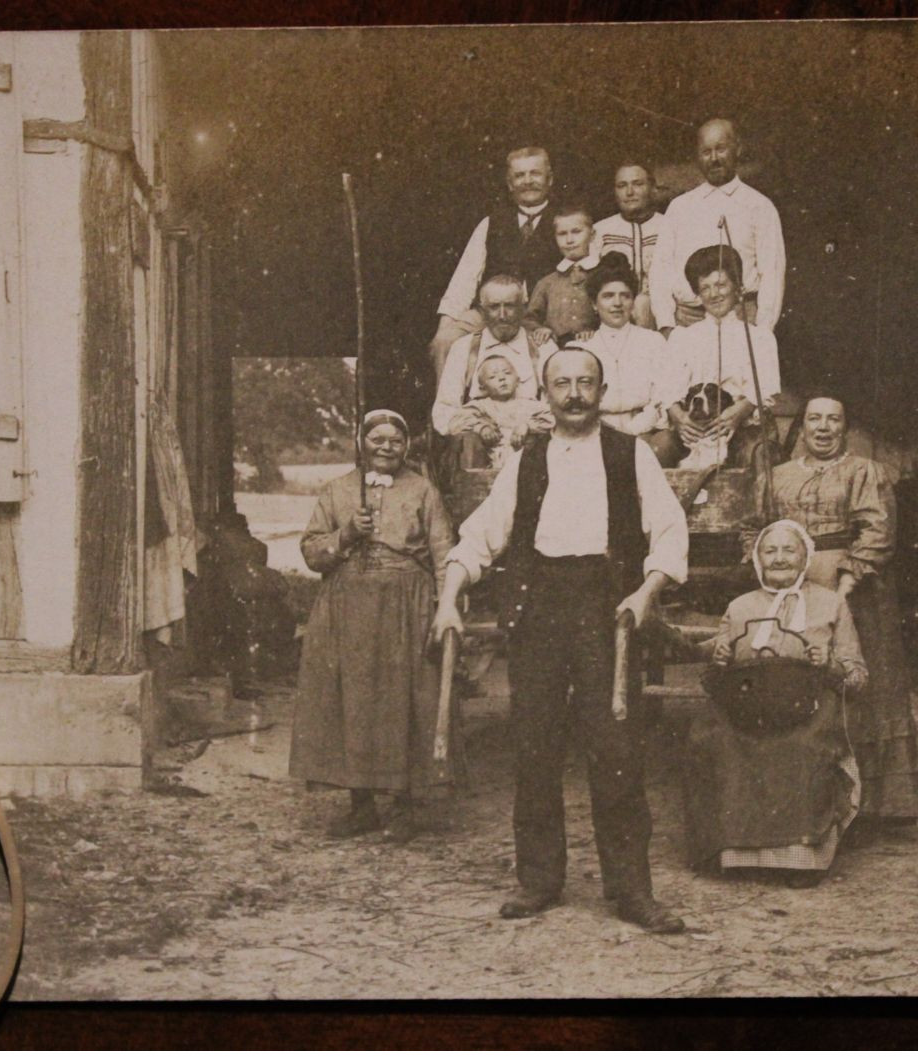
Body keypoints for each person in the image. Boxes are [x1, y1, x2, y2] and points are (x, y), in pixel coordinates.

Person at [430, 347, 690, 934]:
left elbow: (670, 534)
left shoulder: (633, 454)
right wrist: (449, 599)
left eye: (585, 383)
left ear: (602, 389)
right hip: (540, 607)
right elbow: (480, 537)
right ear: (545, 392)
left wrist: (643, 594)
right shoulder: (527, 460)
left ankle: (631, 890)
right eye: (562, 383)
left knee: (617, 751)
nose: (574, 393)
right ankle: (539, 880)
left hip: (607, 609)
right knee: (535, 747)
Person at [289, 410, 458, 842]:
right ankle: (361, 806)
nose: (386, 447)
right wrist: (345, 536)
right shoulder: (337, 491)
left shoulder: (423, 491)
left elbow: (444, 554)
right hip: (346, 608)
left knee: (404, 699)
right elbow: (311, 551)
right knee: (353, 699)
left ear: (406, 447)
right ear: (362, 442)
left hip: (407, 605)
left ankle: (404, 807)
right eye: (377, 439)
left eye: (395, 441)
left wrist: (447, 607)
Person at [770, 395, 918, 824]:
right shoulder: (777, 477)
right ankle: (807, 798)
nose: (823, 427)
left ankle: (875, 803)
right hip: (791, 587)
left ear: (845, 427)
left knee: (860, 681)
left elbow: (877, 531)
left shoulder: (863, 471)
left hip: (853, 591)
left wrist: (843, 589)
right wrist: (773, 576)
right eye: (814, 419)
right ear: (800, 427)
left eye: (833, 420)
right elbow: (757, 529)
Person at [684, 520, 867, 881]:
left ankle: (800, 860)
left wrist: (829, 665)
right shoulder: (739, 607)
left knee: (801, 748)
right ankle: (733, 855)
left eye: (789, 550)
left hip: (809, 708)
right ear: (757, 558)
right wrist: (720, 659)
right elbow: (715, 678)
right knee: (716, 740)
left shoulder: (831, 604)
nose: (779, 558)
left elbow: (858, 677)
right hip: (747, 709)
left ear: (805, 557)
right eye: (770, 550)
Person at [430, 146, 562, 378]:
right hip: (490, 312)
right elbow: (465, 277)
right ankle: (448, 413)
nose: (527, 181)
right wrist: (447, 324)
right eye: (519, 176)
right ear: (510, 184)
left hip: (541, 314)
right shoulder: (492, 223)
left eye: (535, 173)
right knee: (445, 342)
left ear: (549, 179)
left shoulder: (565, 221)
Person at [650, 119, 786, 336]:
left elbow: (772, 273)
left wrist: (763, 329)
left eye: (721, 149)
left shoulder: (759, 206)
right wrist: (667, 325)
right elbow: (660, 270)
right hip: (687, 321)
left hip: (743, 319)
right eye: (706, 152)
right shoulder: (679, 207)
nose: (714, 159)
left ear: (737, 149)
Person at [662, 245, 782, 468]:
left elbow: (765, 388)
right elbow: (668, 390)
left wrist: (737, 413)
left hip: (742, 426)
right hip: (693, 426)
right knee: (658, 448)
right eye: (705, 288)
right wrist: (680, 419)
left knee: (758, 454)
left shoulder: (759, 337)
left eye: (720, 285)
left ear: (738, 287)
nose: (714, 294)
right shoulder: (683, 338)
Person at [432, 274, 556, 470]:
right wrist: (478, 428)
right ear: (482, 310)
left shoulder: (543, 348)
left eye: (510, 306)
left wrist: (528, 427)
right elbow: (444, 412)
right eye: (494, 307)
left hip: (531, 445)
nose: (502, 315)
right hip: (479, 450)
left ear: (523, 307)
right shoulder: (464, 348)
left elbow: (557, 408)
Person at [570, 253, 676, 464]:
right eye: (608, 296)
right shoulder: (581, 348)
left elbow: (662, 395)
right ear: (594, 303)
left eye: (625, 296)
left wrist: (632, 430)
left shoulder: (653, 341)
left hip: (644, 430)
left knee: (658, 449)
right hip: (595, 431)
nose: (617, 303)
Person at [201, 510, 297, 697]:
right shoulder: (259, 549)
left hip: (238, 606)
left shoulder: (221, 548)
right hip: (263, 610)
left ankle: (241, 674)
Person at [593, 162, 665, 329]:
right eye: (622, 186)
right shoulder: (600, 230)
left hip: (660, 317)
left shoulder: (668, 226)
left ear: (652, 188)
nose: (629, 192)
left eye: (638, 184)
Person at [454, 355, 548, 469]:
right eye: (493, 377)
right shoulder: (482, 406)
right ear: (483, 388)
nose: (502, 378)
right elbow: (457, 420)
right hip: (491, 466)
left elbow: (555, 419)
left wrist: (527, 426)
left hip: (527, 464)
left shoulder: (530, 405)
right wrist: (481, 427)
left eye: (507, 373)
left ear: (518, 380)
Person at [525, 205, 601, 346]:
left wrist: (594, 332)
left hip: (594, 347)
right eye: (562, 234)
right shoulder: (547, 282)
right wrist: (540, 329)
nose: (569, 240)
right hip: (555, 351)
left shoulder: (603, 276)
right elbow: (529, 319)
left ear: (592, 235)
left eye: (576, 232)